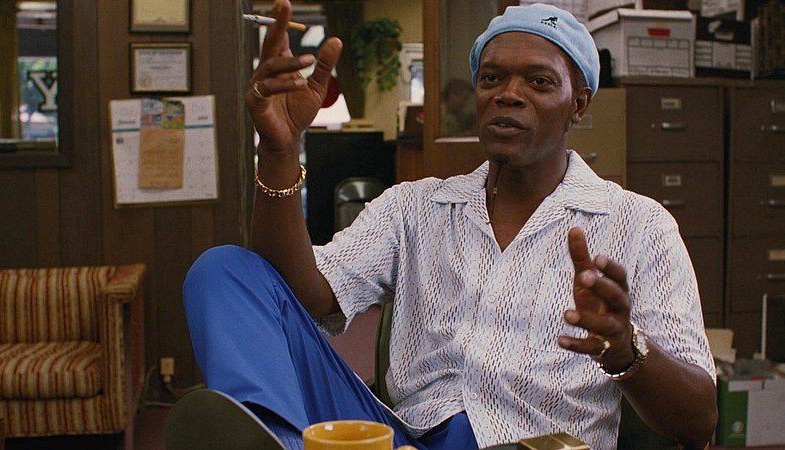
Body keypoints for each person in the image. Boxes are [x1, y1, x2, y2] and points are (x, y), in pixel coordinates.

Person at [183, 2, 717, 449]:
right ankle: (278, 441)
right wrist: (279, 151)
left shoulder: (639, 225)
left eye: (538, 81)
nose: (508, 94)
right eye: (492, 78)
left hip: (534, 445)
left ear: (578, 104)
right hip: (401, 438)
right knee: (223, 270)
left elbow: (699, 421)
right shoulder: (415, 207)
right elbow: (307, 297)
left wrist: (626, 349)